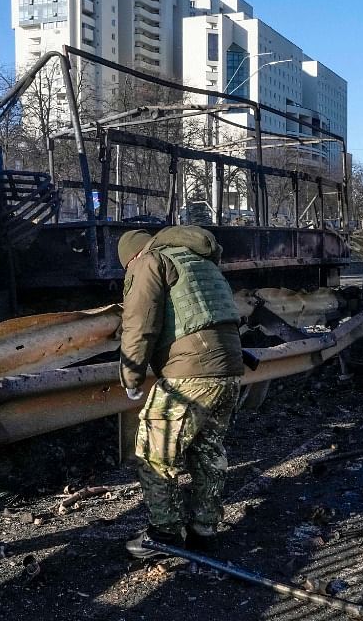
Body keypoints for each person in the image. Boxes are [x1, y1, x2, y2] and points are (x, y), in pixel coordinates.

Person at [116, 225, 245, 559]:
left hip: (190, 373)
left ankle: (165, 535)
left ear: (132, 256)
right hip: (230, 369)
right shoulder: (200, 261)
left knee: (154, 454)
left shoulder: (149, 261)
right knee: (207, 450)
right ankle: (205, 530)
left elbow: (139, 323)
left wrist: (131, 377)